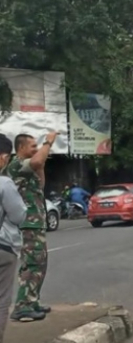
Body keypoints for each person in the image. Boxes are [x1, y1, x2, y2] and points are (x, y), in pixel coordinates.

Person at [8, 132, 57, 322]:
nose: (37, 150)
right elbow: (35, 162)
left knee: (40, 263)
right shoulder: (16, 165)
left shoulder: (30, 169)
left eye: (37, 146)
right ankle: (22, 307)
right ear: (21, 148)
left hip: (36, 223)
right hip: (27, 224)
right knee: (32, 262)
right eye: (33, 146)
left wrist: (42, 164)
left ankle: (32, 300)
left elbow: (41, 183)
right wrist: (48, 142)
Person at [0, 134, 27, 341]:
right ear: (3, 158)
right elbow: (19, 215)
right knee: (1, 300)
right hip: (3, 248)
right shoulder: (5, 183)